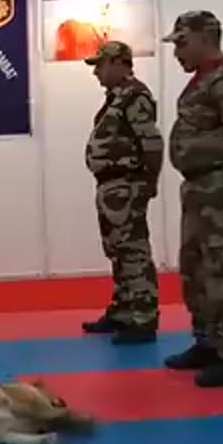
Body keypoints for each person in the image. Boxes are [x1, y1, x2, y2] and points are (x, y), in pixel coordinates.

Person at [161, 11, 223, 387]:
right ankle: (205, 340)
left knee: (222, 267)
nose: (177, 52)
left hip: (221, 185)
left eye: (183, 43)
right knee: (195, 267)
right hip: (200, 185)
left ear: (207, 38)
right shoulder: (200, 81)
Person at [79, 41, 163, 343]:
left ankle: (143, 317)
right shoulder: (117, 98)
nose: (97, 73)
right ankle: (123, 311)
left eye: (100, 66)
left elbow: (151, 142)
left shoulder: (134, 97)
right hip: (111, 185)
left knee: (133, 250)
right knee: (117, 249)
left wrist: (149, 183)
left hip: (126, 183)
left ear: (119, 62)